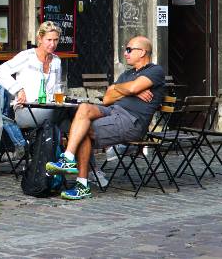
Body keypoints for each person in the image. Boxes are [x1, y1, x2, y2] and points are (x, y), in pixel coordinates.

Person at [45, 36, 165, 200]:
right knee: (84, 108)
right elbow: (108, 98)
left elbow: (133, 88)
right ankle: (68, 158)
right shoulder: (127, 74)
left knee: (83, 130)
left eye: (129, 50)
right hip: (114, 110)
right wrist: (123, 88)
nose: (125, 53)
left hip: (131, 121)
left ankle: (82, 185)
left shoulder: (154, 70)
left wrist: (128, 89)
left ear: (143, 52)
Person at [0, 21, 63, 129]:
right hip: (26, 109)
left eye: (56, 40)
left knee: (77, 115)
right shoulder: (27, 57)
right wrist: (19, 90)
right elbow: (0, 72)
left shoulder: (56, 61)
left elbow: (58, 88)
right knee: (72, 116)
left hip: (50, 108)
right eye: (49, 40)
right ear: (40, 39)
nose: (53, 44)